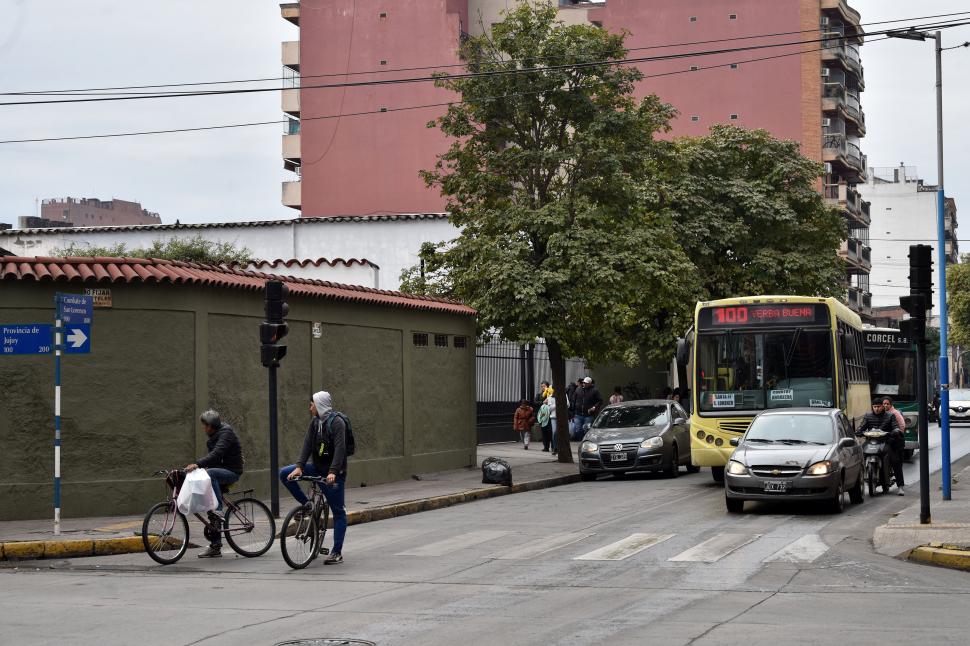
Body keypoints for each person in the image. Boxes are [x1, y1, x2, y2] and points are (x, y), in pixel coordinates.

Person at [279, 391, 349, 564]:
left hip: (334, 474)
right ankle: (307, 506)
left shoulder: (337, 423)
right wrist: (299, 467)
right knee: (284, 474)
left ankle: (336, 552)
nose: (310, 408)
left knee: (339, 512)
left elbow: (340, 450)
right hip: (317, 468)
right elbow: (307, 445)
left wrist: (333, 471)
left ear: (320, 405)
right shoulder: (315, 422)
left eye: (312, 404)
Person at [185, 409, 245, 559]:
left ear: (212, 425)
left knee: (211, 480)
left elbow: (217, 454)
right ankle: (215, 547)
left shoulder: (226, 433)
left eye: (205, 426)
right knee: (209, 503)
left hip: (232, 472)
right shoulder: (213, 436)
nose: (204, 429)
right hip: (220, 472)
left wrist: (197, 464)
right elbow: (214, 460)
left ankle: (219, 511)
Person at [881, 397, 907, 495]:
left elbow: (902, 426)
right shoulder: (881, 414)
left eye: (887, 404)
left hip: (895, 442)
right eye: (884, 404)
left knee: (896, 463)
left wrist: (895, 435)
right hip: (884, 441)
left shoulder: (895, 413)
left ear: (891, 404)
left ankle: (900, 486)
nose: (885, 406)